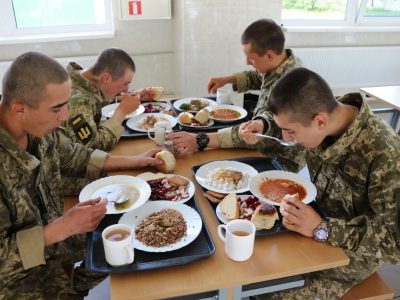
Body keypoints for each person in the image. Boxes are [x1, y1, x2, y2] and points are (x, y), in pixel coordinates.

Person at [0, 52, 162, 299]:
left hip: (51, 235)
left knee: (123, 231)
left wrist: (137, 161)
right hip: (13, 274)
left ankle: (77, 286)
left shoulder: (41, 129)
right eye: (56, 108)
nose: (65, 116)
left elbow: (80, 156)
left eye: (65, 105)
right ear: (19, 109)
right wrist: (61, 228)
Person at [245, 68, 400, 299]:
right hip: (313, 223)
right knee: (254, 264)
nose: (286, 138)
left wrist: (323, 228)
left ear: (319, 121)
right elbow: (286, 121)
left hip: (352, 250)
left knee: (269, 291)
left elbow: (395, 243)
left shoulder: (384, 154)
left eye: (290, 132)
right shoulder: (323, 118)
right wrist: (265, 126)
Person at [167, 18, 302, 156]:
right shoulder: (280, 61)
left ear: (268, 55)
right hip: (259, 145)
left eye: (252, 58)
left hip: (278, 157)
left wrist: (199, 139)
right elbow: (258, 77)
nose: (247, 62)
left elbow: (264, 129)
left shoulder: (292, 84)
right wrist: (226, 80)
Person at [64, 48, 156, 151]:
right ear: (106, 78)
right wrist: (122, 111)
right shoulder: (77, 101)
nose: (126, 90)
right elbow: (93, 146)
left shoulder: (83, 79)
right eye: (125, 84)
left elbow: (95, 98)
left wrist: (131, 96)